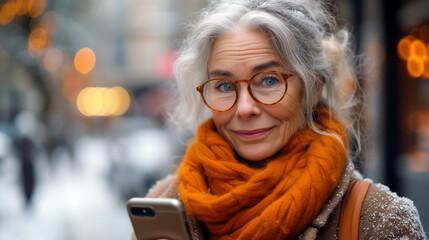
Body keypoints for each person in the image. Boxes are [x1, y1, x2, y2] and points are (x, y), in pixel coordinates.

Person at [132, 0, 427, 239]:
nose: (245, 108)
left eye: (269, 80)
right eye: (224, 85)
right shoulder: (168, 201)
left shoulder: (378, 221)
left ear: (313, 88)